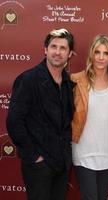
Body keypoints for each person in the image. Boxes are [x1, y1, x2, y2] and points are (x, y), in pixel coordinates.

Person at [6, 28, 75, 200]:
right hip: (39, 165)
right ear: (45, 50)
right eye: (53, 46)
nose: (57, 52)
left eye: (63, 48)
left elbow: (65, 123)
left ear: (70, 54)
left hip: (61, 163)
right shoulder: (28, 79)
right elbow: (14, 122)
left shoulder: (67, 83)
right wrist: (35, 157)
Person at [71, 34, 108, 200]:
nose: (101, 57)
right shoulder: (76, 81)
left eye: (106, 53)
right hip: (84, 153)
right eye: (97, 52)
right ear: (91, 54)